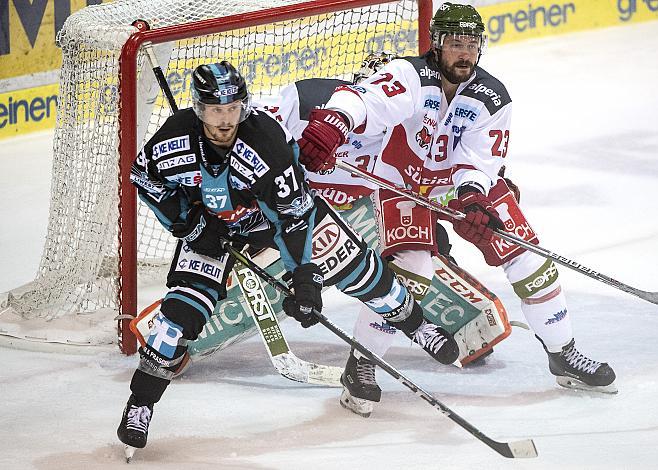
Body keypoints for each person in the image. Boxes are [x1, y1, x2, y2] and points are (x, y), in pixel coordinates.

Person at [117, 61, 460, 452]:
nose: (225, 120)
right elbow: (146, 179)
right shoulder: (172, 138)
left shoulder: (266, 141)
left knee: (359, 271)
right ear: (198, 108)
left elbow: (293, 218)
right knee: (175, 321)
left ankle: (417, 324)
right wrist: (191, 224)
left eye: (232, 109)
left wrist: (303, 276)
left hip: (272, 219)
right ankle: (139, 404)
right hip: (209, 229)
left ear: (243, 107)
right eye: (215, 110)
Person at [297, 0, 617, 402]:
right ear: (437, 43)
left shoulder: (492, 96)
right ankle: (361, 363)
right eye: (455, 43)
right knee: (410, 273)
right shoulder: (410, 75)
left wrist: (472, 200)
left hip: (460, 188)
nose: (464, 52)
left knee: (528, 258)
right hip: (404, 187)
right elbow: (366, 99)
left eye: (471, 43)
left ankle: (564, 354)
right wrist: (336, 122)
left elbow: (481, 159)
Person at [261, 52, 489, 418]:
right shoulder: (309, 102)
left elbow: (437, 180)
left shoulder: (418, 126)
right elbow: (255, 134)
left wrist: (474, 201)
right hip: (288, 206)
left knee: (417, 264)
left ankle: (362, 362)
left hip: (362, 210)